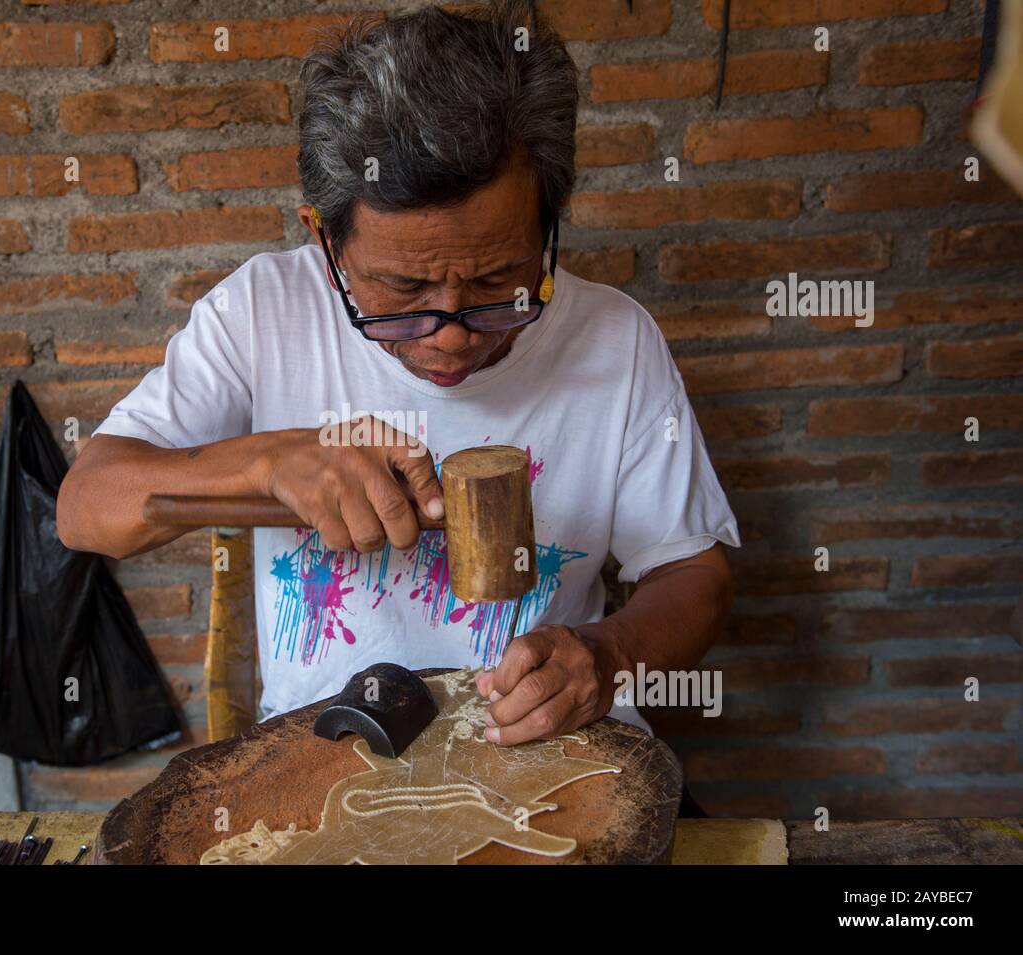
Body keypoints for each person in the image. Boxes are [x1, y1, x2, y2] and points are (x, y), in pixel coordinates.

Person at [58, 0, 739, 745]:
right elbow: (88, 508)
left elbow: (693, 577)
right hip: (329, 755)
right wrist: (271, 462)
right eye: (404, 292)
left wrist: (607, 657)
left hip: (543, 755)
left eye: (497, 282)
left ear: (551, 219)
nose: (450, 338)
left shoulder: (614, 337)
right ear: (325, 239)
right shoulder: (260, 314)